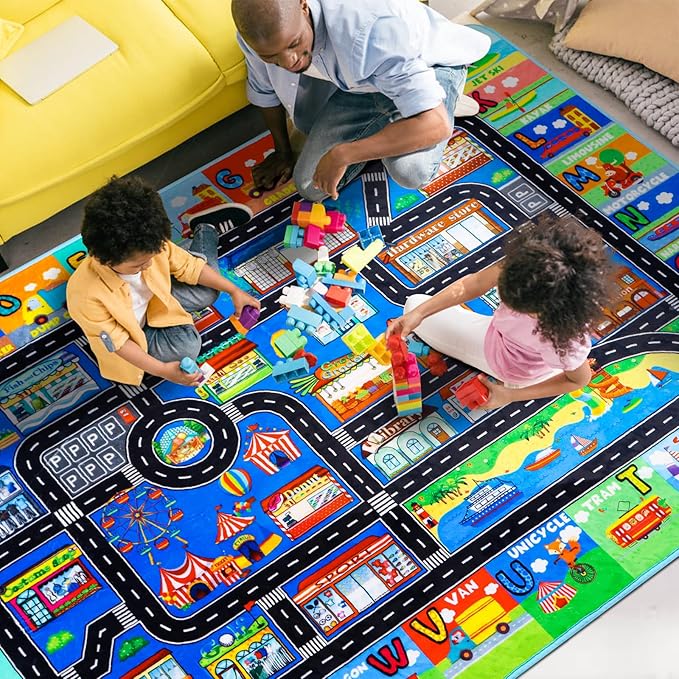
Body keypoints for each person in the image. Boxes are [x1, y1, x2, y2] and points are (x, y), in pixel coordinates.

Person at [231, 0, 491, 201]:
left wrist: (344, 154)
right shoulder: (259, 38)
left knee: (410, 171)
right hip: (361, 86)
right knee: (310, 186)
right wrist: (283, 152)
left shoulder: (370, 31)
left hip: (429, 64)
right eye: (272, 56)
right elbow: (264, 90)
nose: (288, 62)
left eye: (294, 43)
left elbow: (436, 125)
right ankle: (399, 120)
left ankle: (440, 96)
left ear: (303, 5)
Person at [386, 215, 614, 409]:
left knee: (414, 304)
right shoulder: (530, 264)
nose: (505, 301)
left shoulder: (564, 341)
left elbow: (578, 380)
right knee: (415, 306)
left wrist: (510, 396)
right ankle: (540, 370)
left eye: (520, 307)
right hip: (503, 334)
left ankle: (530, 378)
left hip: (507, 361)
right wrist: (420, 314)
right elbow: (474, 283)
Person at [67, 176, 260, 387]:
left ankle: (206, 228)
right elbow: (120, 343)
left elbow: (190, 267)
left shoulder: (151, 243)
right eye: (139, 265)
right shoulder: (85, 295)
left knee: (211, 287)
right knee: (185, 351)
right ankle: (207, 230)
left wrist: (234, 290)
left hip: (159, 298)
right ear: (105, 259)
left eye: (152, 257)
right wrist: (162, 370)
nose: (149, 265)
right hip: (136, 334)